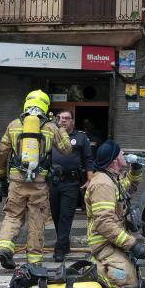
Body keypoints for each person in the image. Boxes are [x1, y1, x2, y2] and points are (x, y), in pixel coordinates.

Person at [0, 90, 72, 269]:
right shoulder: (50, 128)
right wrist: (60, 126)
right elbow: (67, 149)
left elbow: (2, 153)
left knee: (13, 215)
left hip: (17, 181)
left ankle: (5, 248)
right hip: (39, 183)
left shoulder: (13, 125)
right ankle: (35, 262)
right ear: (45, 105)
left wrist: (1, 177)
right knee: (37, 220)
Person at [84, 139, 145, 288]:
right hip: (103, 243)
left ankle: (113, 263)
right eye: (121, 152)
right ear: (114, 160)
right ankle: (94, 269)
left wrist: (136, 169)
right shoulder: (102, 185)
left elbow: (130, 187)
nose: (124, 155)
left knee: (140, 272)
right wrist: (133, 245)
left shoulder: (113, 179)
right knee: (127, 280)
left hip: (114, 241)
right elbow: (105, 224)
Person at [50, 110, 94, 262]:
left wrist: (90, 179)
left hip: (71, 182)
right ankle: (65, 243)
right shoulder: (52, 135)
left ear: (72, 122)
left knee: (65, 216)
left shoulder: (81, 137)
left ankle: (59, 249)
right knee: (55, 215)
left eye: (66, 118)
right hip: (53, 182)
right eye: (60, 118)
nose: (63, 121)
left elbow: (89, 159)